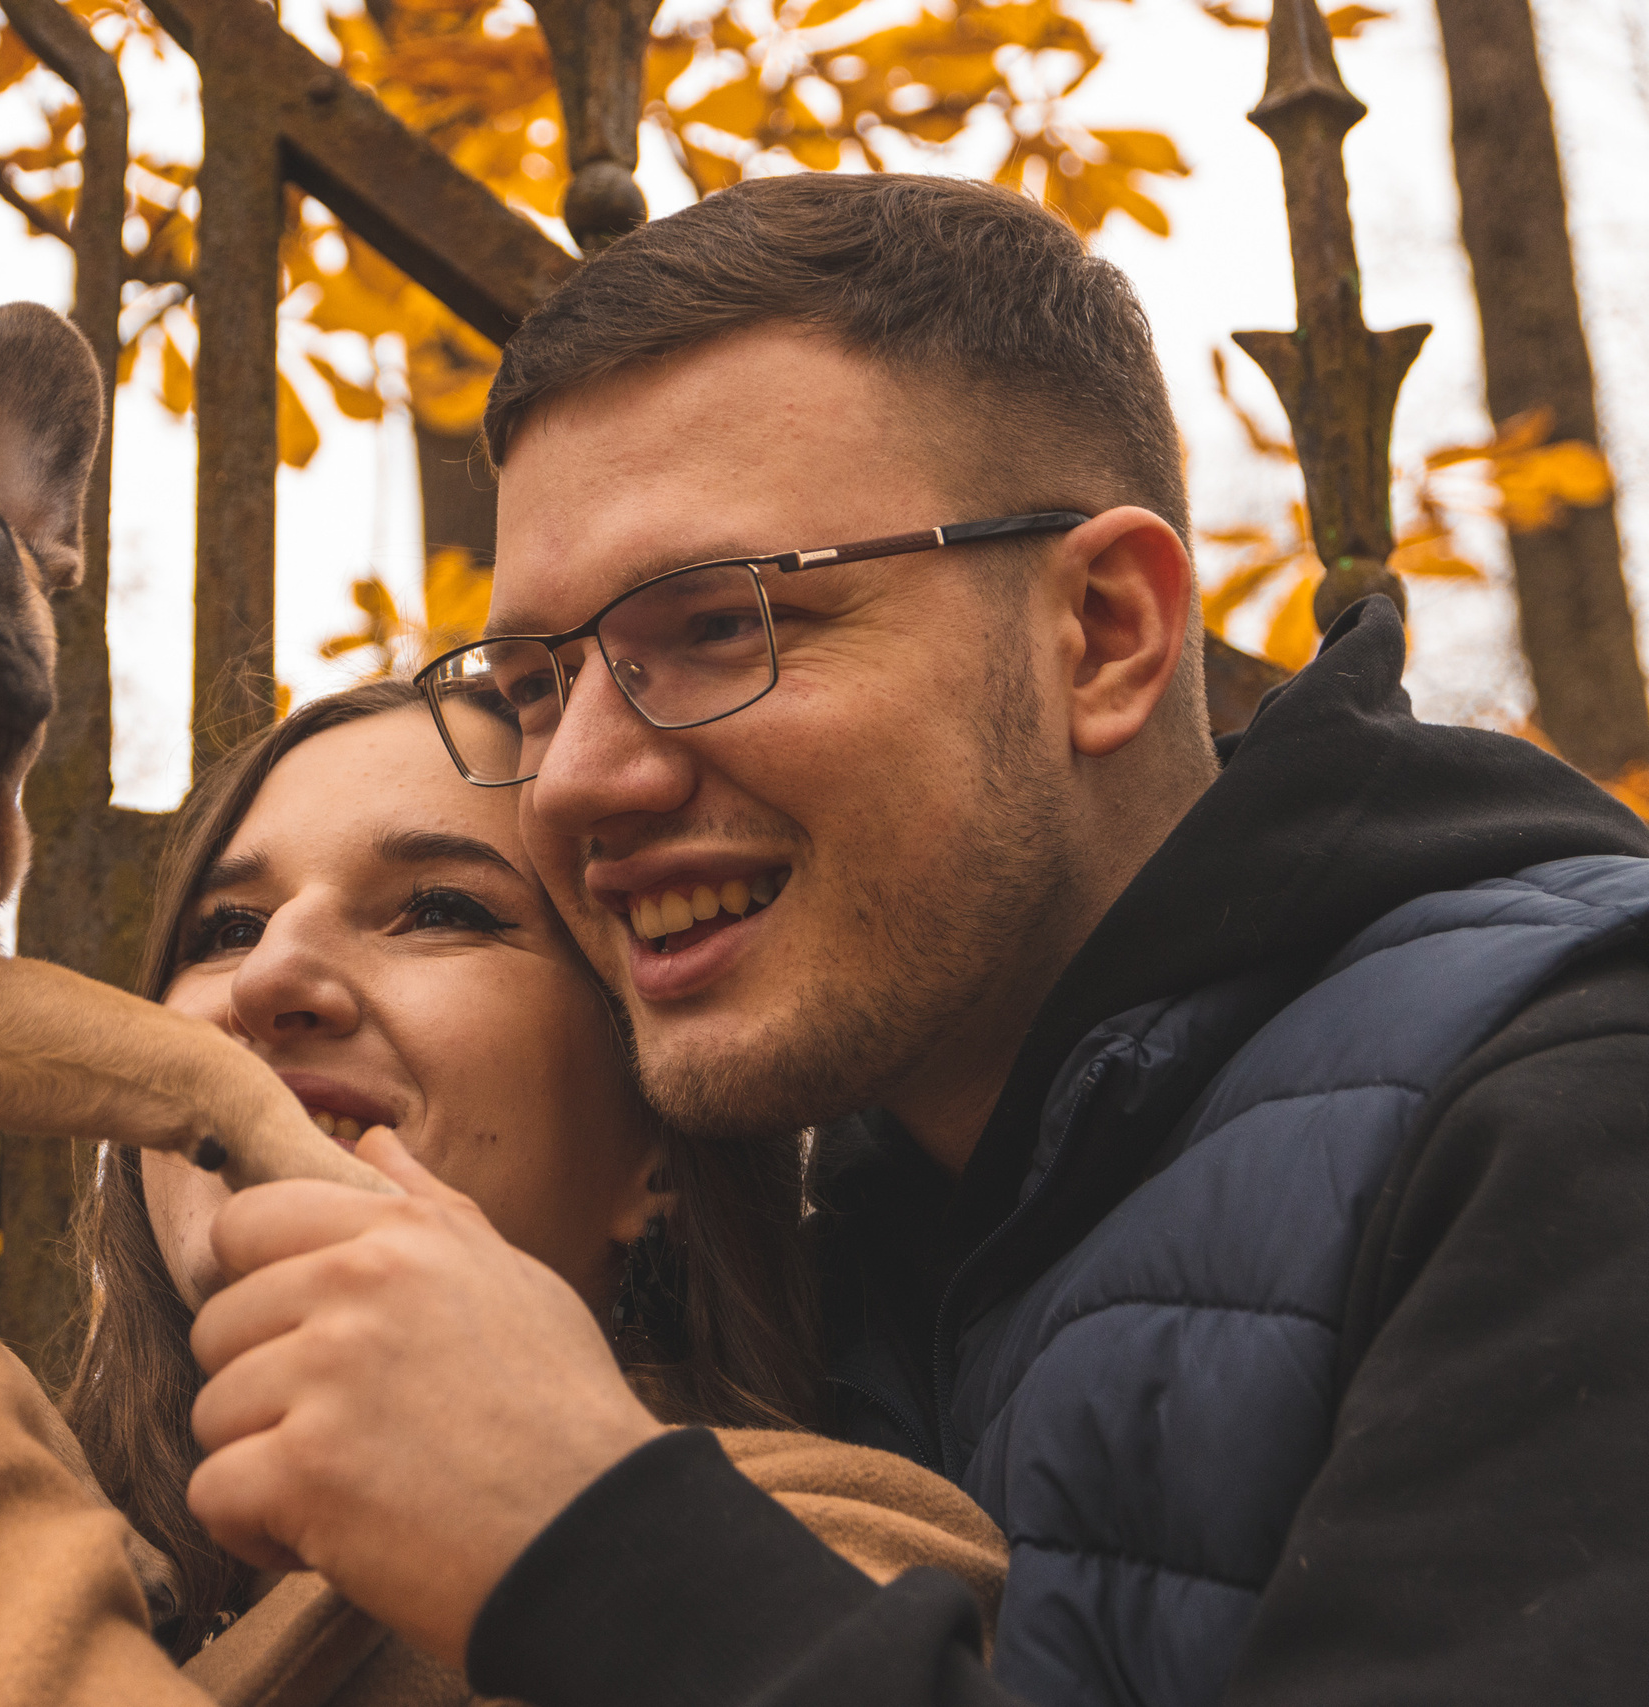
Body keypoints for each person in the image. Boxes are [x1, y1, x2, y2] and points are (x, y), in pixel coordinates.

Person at [175, 172, 1649, 1707]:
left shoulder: (1570, 1103)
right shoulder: (851, 1259)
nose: (576, 779)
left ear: (1104, 634)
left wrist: (592, 1549)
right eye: (541, 683)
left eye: (723, 624)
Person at [0, 678, 1005, 1703]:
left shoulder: (834, 1562)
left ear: (658, 1154)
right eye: (222, 932)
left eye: (440, 910)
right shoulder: (36, 1547)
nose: (273, 979)